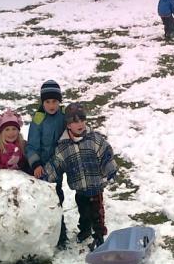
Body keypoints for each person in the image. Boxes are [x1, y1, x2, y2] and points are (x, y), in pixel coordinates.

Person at [40, 103, 118, 250]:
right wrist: (45, 176)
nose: (80, 124)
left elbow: (106, 153)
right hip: (79, 188)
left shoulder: (94, 139)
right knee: (84, 211)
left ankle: (100, 233)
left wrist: (110, 169)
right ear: (68, 125)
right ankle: (85, 230)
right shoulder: (64, 147)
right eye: (75, 122)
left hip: (95, 185)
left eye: (82, 120)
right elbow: (57, 163)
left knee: (97, 211)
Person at [26, 80, 68, 247]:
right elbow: (31, 146)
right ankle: (42, 231)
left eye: (55, 101)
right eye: (48, 102)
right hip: (42, 168)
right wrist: (36, 164)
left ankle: (60, 232)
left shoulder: (64, 116)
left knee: (58, 197)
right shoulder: (38, 120)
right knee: (44, 200)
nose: (51, 105)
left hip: (58, 163)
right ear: (42, 102)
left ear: (59, 101)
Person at [0, 109, 30, 176]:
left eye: (14, 129)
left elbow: (26, 163)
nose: (11, 133)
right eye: (7, 129)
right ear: (1, 133)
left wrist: (21, 166)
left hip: (20, 181)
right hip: (2, 182)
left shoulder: (22, 145)